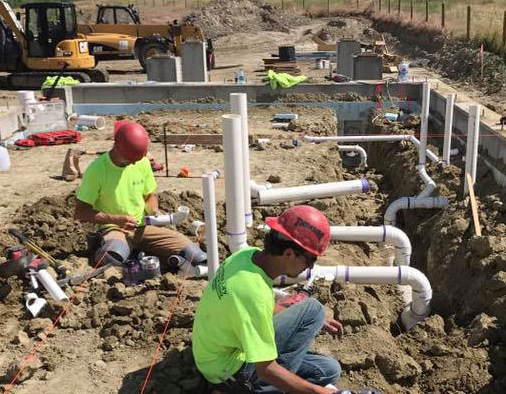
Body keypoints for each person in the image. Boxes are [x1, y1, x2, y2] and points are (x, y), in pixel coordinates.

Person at [193, 205, 344, 394]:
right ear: (289, 253)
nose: (310, 267)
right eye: (310, 260)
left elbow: (260, 310)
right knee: (313, 309)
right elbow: (266, 370)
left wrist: (298, 318)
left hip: (215, 355)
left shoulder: (246, 257)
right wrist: (320, 392)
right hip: (226, 372)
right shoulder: (252, 291)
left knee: (328, 370)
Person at [74, 121, 206, 269]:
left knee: (195, 255)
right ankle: (113, 248)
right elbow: (81, 211)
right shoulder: (97, 170)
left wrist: (154, 211)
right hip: (114, 229)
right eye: (129, 160)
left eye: (136, 160)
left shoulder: (141, 163)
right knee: (112, 257)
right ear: (117, 147)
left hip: (143, 227)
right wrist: (115, 219)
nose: (132, 164)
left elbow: (149, 196)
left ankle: (140, 253)